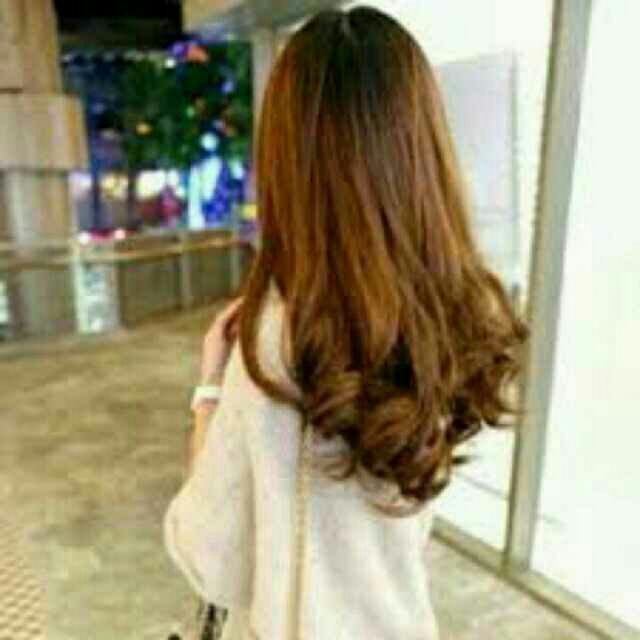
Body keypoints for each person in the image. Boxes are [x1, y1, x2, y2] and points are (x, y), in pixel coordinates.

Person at [163, 7, 529, 640]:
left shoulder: (280, 345)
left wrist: (208, 394)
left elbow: (210, 560)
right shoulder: (447, 320)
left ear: (289, 160)